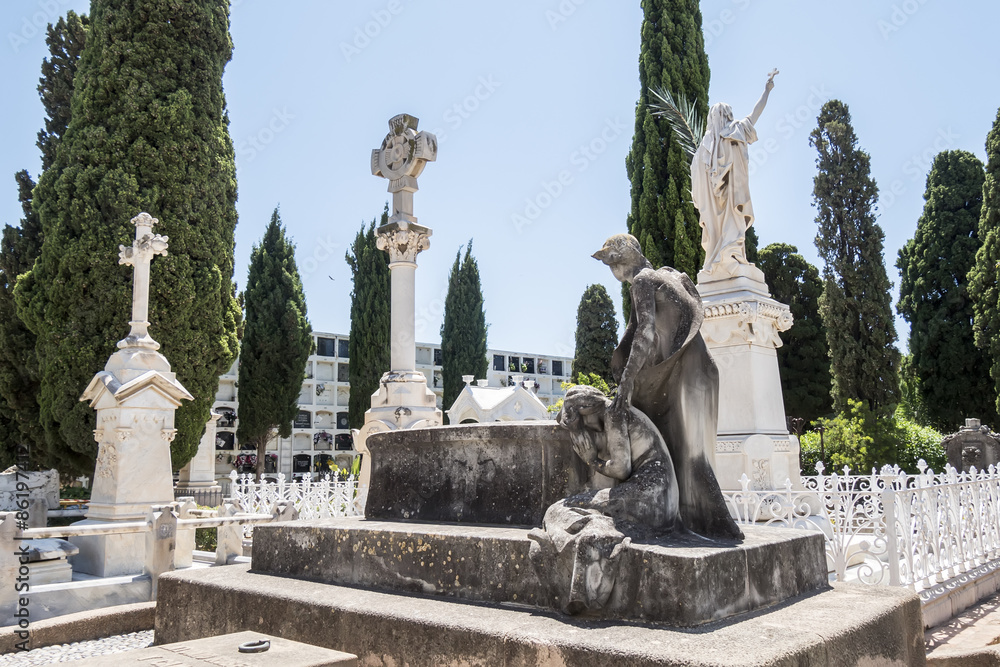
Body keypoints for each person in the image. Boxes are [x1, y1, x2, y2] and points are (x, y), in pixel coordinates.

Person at [593, 233, 742, 540]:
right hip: (702, 371)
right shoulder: (669, 275)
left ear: (619, 262)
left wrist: (627, 381)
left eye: (611, 264)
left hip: (684, 373)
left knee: (684, 452)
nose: (613, 272)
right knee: (694, 454)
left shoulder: (642, 281)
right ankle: (706, 526)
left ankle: (704, 527)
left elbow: (645, 332)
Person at [691, 71, 776, 278]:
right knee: (732, 230)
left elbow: (697, 182)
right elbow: (755, 115)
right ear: (728, 115)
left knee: (722, 231)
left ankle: (722, 259)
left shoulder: (704, 149)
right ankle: (728, 258)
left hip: (720, 201)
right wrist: (766, 91)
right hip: (730, 198)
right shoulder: (734, 131)